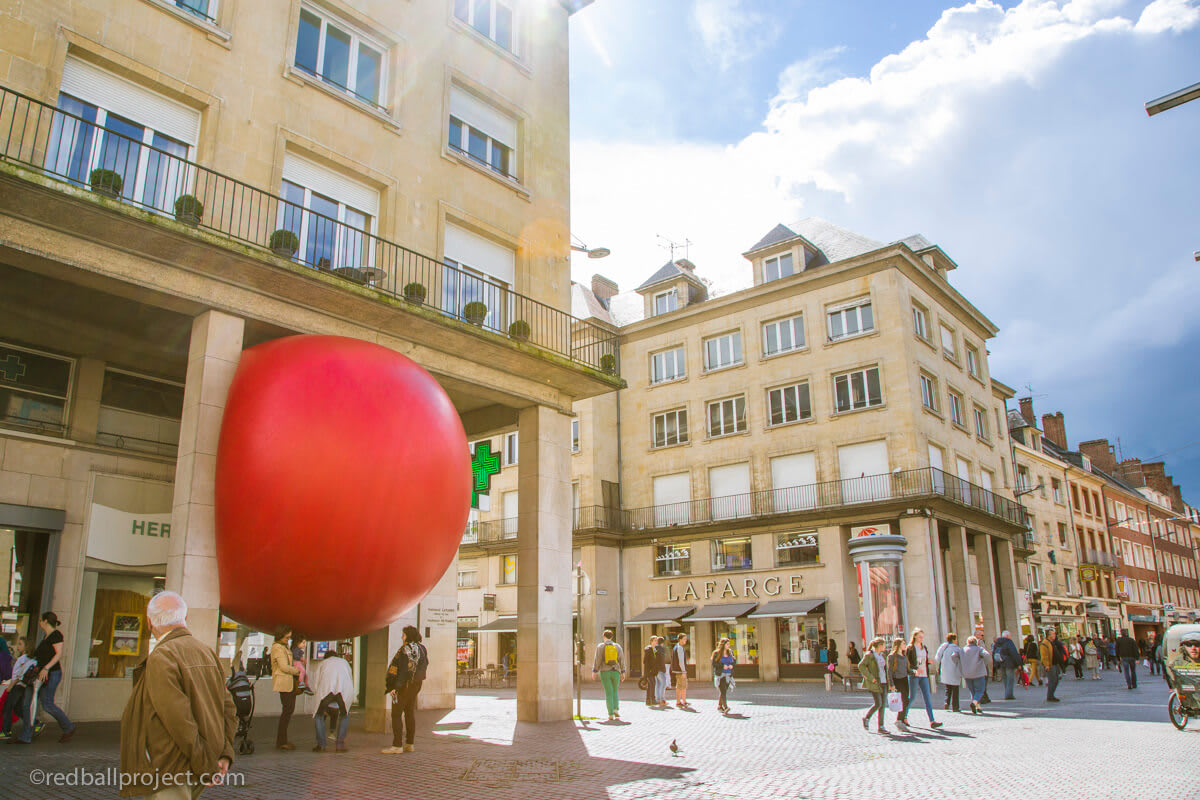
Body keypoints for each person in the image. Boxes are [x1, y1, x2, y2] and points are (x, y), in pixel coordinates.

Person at [119, 591, 235, 797]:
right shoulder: (206, 651)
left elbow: (179, 720)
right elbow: (228, 709)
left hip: (172, 766)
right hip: (199, 761)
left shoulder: (162, 656)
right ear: (185, 618)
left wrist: (205, 765)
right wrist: (224, 754)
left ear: (149, 622)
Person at [382, 625, 428, 754]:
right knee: (409, 712)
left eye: (403, 635)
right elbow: (425, 665)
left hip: (403, 686)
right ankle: (409, 743)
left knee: (396, 714)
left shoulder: (405, 649)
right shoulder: (422, 648)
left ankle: (397, 745)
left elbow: (402, 670)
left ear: (408, 636)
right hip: (416, 685)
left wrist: (395, 687)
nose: (402, 637)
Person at [32, 611, 75, 743]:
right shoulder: (46, 636)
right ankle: (35, 725)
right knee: (41, 701)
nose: (39, 623)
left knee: (47, 703)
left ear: (45, 621)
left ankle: (68, 727)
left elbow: (58, 654)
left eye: (40, 620)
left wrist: (46, 668)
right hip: (45, 673)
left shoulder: (56, 635)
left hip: (52, 673)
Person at [310, 650, 353, 752]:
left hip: (326, 691)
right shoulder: (344, 662)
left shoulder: (323, 663)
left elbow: (316, 682)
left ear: (326, 657)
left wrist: (316, 693)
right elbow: (350, 678)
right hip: (343, 691)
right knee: (344, 715)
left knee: (319, 715)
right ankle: (340, 745)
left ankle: (321, 745)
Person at [903, 629, 942, 729]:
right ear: (915, 636)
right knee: (912, 697)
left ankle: (932, 721)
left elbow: (922, 660)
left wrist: (927, 662)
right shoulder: (910, 648)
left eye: (922, 637)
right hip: (915, 675)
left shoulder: (924, 647)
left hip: (924, 675)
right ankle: (904, 716)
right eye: (920, 636)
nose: (921, 638)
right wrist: (915, 669)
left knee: (927, 697)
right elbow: (908, 663)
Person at [270, 625, 301, 750]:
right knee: (287, 711)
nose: (288, 640)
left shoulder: (283, 646)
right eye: (286, 637)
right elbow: (283, 666)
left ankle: (283, 740)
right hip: (285, 683)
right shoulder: (278, 648)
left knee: (288, 711)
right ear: (280, 636)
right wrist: (296, 671)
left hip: (288, 683)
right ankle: (281, 741)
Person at [1, 637, 36, 742]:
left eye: (20, 644)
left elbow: (19, 675)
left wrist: (11, 686)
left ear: (26, 646)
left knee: (8, 707)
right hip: (21, 685)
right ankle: (34, 722)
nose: (18, 646)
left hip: (17, 685)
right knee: (18, 708)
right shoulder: (28, 659)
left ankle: (6, 731)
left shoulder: (23, 659)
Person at [592, 630, 626, 721]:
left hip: (605, 672)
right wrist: (623, 672)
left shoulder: (600, 646)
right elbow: (621, 659)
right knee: (615, 691)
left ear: (604, 636)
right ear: (612, 637)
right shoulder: (617, 646)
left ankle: (610, 714)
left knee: (608, 692)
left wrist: (595, 671)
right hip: (616, 672)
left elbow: (597, 659)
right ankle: (616, 709)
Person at [859, 637, 888, 733]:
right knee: (878, 703)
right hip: (875, 682)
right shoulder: (869, 655)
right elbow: (861, 666)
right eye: (884, 645)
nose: (885, 647)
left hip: (884, 682)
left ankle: (881, 726)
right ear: (879, 645)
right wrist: (871, 678)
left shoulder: (883, 655)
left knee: (883, 705)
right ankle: (866, 718)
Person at [960, 636, 992, 714]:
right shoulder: (979, 649)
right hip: (978, 672)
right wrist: (984, 663)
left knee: (972, 691)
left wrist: (960, 664)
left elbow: (953, 656)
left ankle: (978, 707)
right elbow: (987, 655)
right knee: (980, 690)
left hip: (967, 673)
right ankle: (974, 703)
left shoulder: (962, 650)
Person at [934, 633, 963, 712]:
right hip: (954, 670)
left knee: (948, 688)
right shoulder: (957, 649)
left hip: (945, 670)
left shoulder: (943, 647)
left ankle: (946, 702)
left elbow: (937, 657)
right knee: (955, 689)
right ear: (953, 640)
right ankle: (955, 707)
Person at [886, 638, 911, 728]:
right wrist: (891, 684)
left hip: (904, 679)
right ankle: (899, 720)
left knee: (906, 700)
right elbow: (889, 671)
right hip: (897, 679)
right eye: (903, 643)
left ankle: (901, 719)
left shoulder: (904, 656)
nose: (905, 645)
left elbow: (907, 669)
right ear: (898, 645)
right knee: (903, 700)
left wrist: (914, 672)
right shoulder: (892, 656)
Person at [991, 630, 1021, 700]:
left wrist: (996, 664)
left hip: (1000, 662)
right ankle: (1009, 694)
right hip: (1009, 663)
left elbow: (994, 653)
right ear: (1007, 636)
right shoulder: (1009, 642)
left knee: (1005, 678)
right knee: (1010, 679)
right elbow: (1014, 653)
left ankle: (1007, 692)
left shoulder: (997, 643)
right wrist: (1019, 663)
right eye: (1010, 636)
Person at [1042, 628, 1068, 702]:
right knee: (1052, 680)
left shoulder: (1052, 642)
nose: (1055, 635)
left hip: (1055, 664)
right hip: (1050, 664)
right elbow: (1044, 655)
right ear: (1049, 635)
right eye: (1053, 634)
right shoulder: (1045, 643)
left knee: (1056, 680)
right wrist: (1046, 665)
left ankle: (1051, 695)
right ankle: (1050, 696)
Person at [712, 638, 735, 714]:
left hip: (728, 675)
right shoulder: (716, 653)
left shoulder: (730, 652)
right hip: (721, 675)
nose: (729, 645)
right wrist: (722, 666)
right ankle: (725, 707)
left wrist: (732, 665)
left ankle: (719, 706)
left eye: (729, 644)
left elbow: (734, 661)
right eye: (727, 644)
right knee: (723, 690)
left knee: (723, 692)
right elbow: (714, 664)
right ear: (723, 645)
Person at [671, 634, 691, 709]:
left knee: (681, 686)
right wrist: (684, 671)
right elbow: (681, 661)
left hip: (678, 670)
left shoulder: (676, 646)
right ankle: (679, 702)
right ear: (680, 639)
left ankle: (683, 701)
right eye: (684, 639)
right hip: (680, 670)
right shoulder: (679, 648)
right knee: (681, 686)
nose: (686, 640)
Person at [642, 637, 661, 707]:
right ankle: (652, 699)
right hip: (649, 670)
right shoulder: (648, 650)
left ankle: (649, 700)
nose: (656, 642)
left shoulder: (655, 650)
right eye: (655, 640)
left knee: (651, 685)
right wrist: (646, 672)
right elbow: (645, 661)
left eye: (657, 641)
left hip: (653, 670)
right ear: (651, 641)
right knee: (652, 684)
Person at [654, 635, 671, 708]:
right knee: (663, 684)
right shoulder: (662, 649)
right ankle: (662, 699)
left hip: (655, 669)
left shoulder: (654, 648)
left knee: (657, 684)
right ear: (662, 642)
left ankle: (657, 699)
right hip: (660, 669)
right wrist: (663, 668)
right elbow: (662, 660)